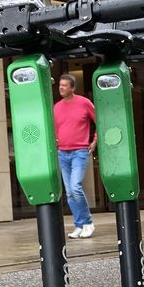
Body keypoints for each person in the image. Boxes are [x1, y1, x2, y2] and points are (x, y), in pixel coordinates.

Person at [53, 73, 97, 238]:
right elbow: (55, 128)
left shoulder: (84, 103)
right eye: (60, 85)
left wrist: (95, 141)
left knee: (75, 187)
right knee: (70, 192)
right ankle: (79, 224)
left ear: (72, 88)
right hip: (62, 153)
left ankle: (88, 223)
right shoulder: (56, 107)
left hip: (80, 151)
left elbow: (99, 121)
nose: (61, 88)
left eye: (64, 85)